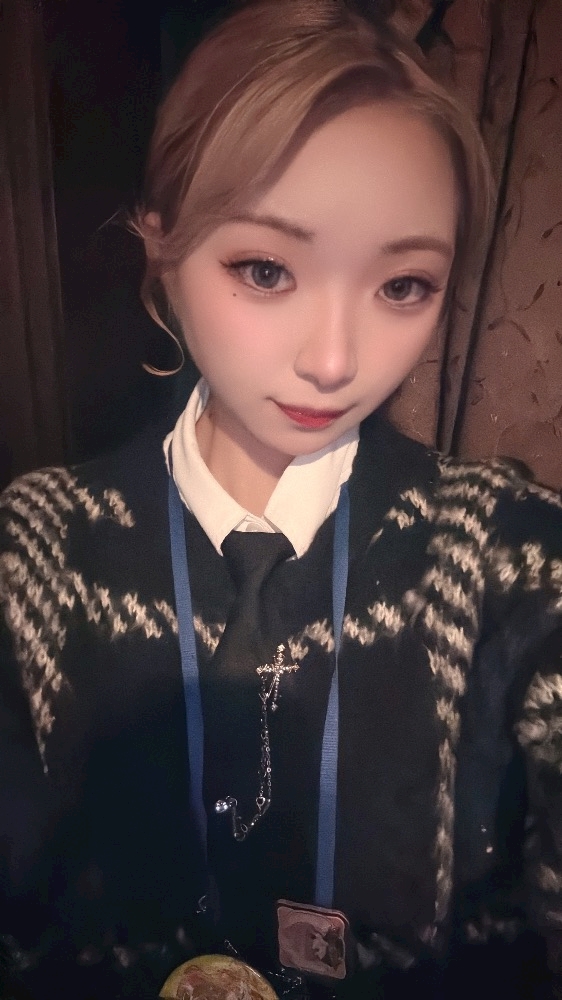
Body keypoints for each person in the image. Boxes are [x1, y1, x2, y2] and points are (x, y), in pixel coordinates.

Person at [1, 1, 562, 998]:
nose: (335, 361)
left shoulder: (511, 557)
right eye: (266, 270)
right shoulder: (34, 553)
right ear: (160, 247)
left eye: (403, 285)